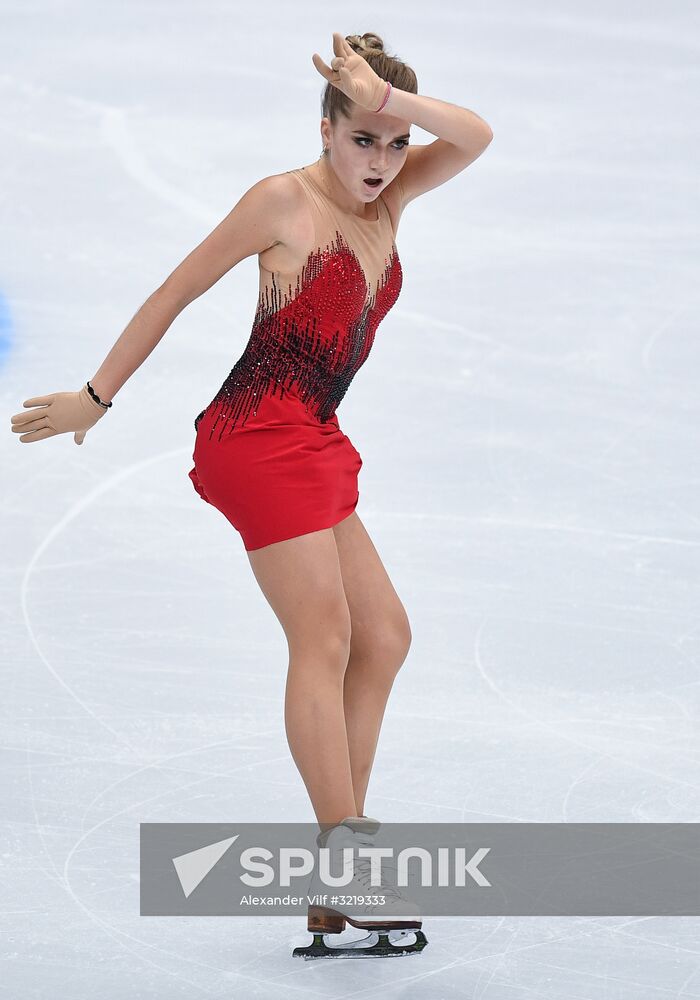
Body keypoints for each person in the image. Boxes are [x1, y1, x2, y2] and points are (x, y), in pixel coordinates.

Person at [9, 31, 493, 957]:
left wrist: (391, 107)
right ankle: (350, 863)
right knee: (326, 635)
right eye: (362, 140)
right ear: (325, 131)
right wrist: (96, 397)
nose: (382, 163)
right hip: (255, 439)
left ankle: (331, 870)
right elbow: (175, 290)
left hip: (313, 434)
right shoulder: (283, 200)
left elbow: (472, 136)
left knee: (383, 636)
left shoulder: (393, 195)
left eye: (394, 144)